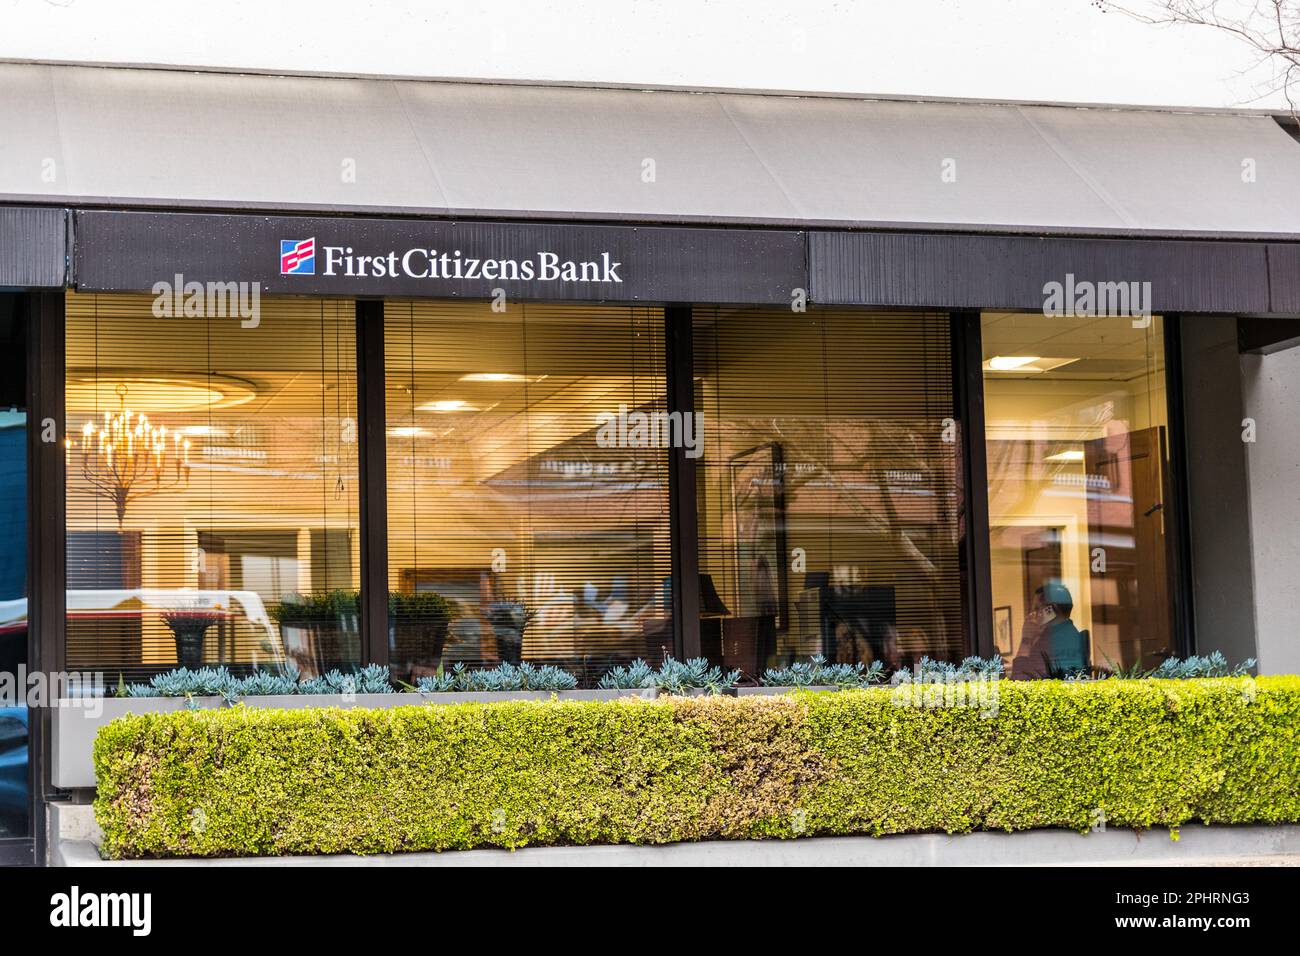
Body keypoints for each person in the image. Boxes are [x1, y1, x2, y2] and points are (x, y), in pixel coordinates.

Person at [1010, 581, 1089, 679]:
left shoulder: (1052, 641)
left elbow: (1019, 680)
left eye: (1037, 608)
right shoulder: (1072, 635)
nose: (1032, 614)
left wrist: (1026, 640)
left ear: (1051, 610)